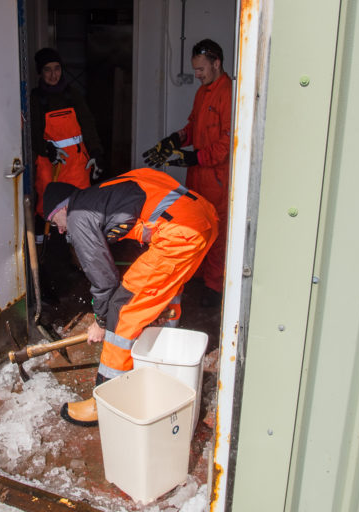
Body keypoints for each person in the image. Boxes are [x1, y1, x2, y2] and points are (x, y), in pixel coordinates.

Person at [42, 168, 218, 426]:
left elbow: (104, 281)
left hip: (179, 234)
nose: (58, 230)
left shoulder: (79, 216)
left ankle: (107, 401)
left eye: (53, 220)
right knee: (164, 295)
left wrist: (101, 322)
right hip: (203, 218)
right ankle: (160, 365)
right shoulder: (106, 192)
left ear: (62, 208)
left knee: (122, 308)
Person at [142, 38, 232, 308]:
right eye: (195, 70)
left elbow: (228, 143)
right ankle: (197, 278)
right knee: (197, 227)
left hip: (217, 178)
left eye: (201, 69)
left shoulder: (228, 93)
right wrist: (173, 141)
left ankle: (213, 289)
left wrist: (195, 157)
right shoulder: (203, 92)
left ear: (216, 63)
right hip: (198, 176)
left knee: (216, 232)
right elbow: (193, 127)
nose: (197, 75)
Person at [30, 47, 105, 223]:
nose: (53, 74)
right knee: (46, 208)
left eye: (57, 68)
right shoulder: (36, 98)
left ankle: (75, 244)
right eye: (47, 69)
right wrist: (47, 149)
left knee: (79, 206)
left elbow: (88, 125)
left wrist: (96, 152)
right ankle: (45, 245)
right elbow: (32, 133)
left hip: (76, 163)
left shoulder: (72, 94)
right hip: (50, 164)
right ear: (40, 72)